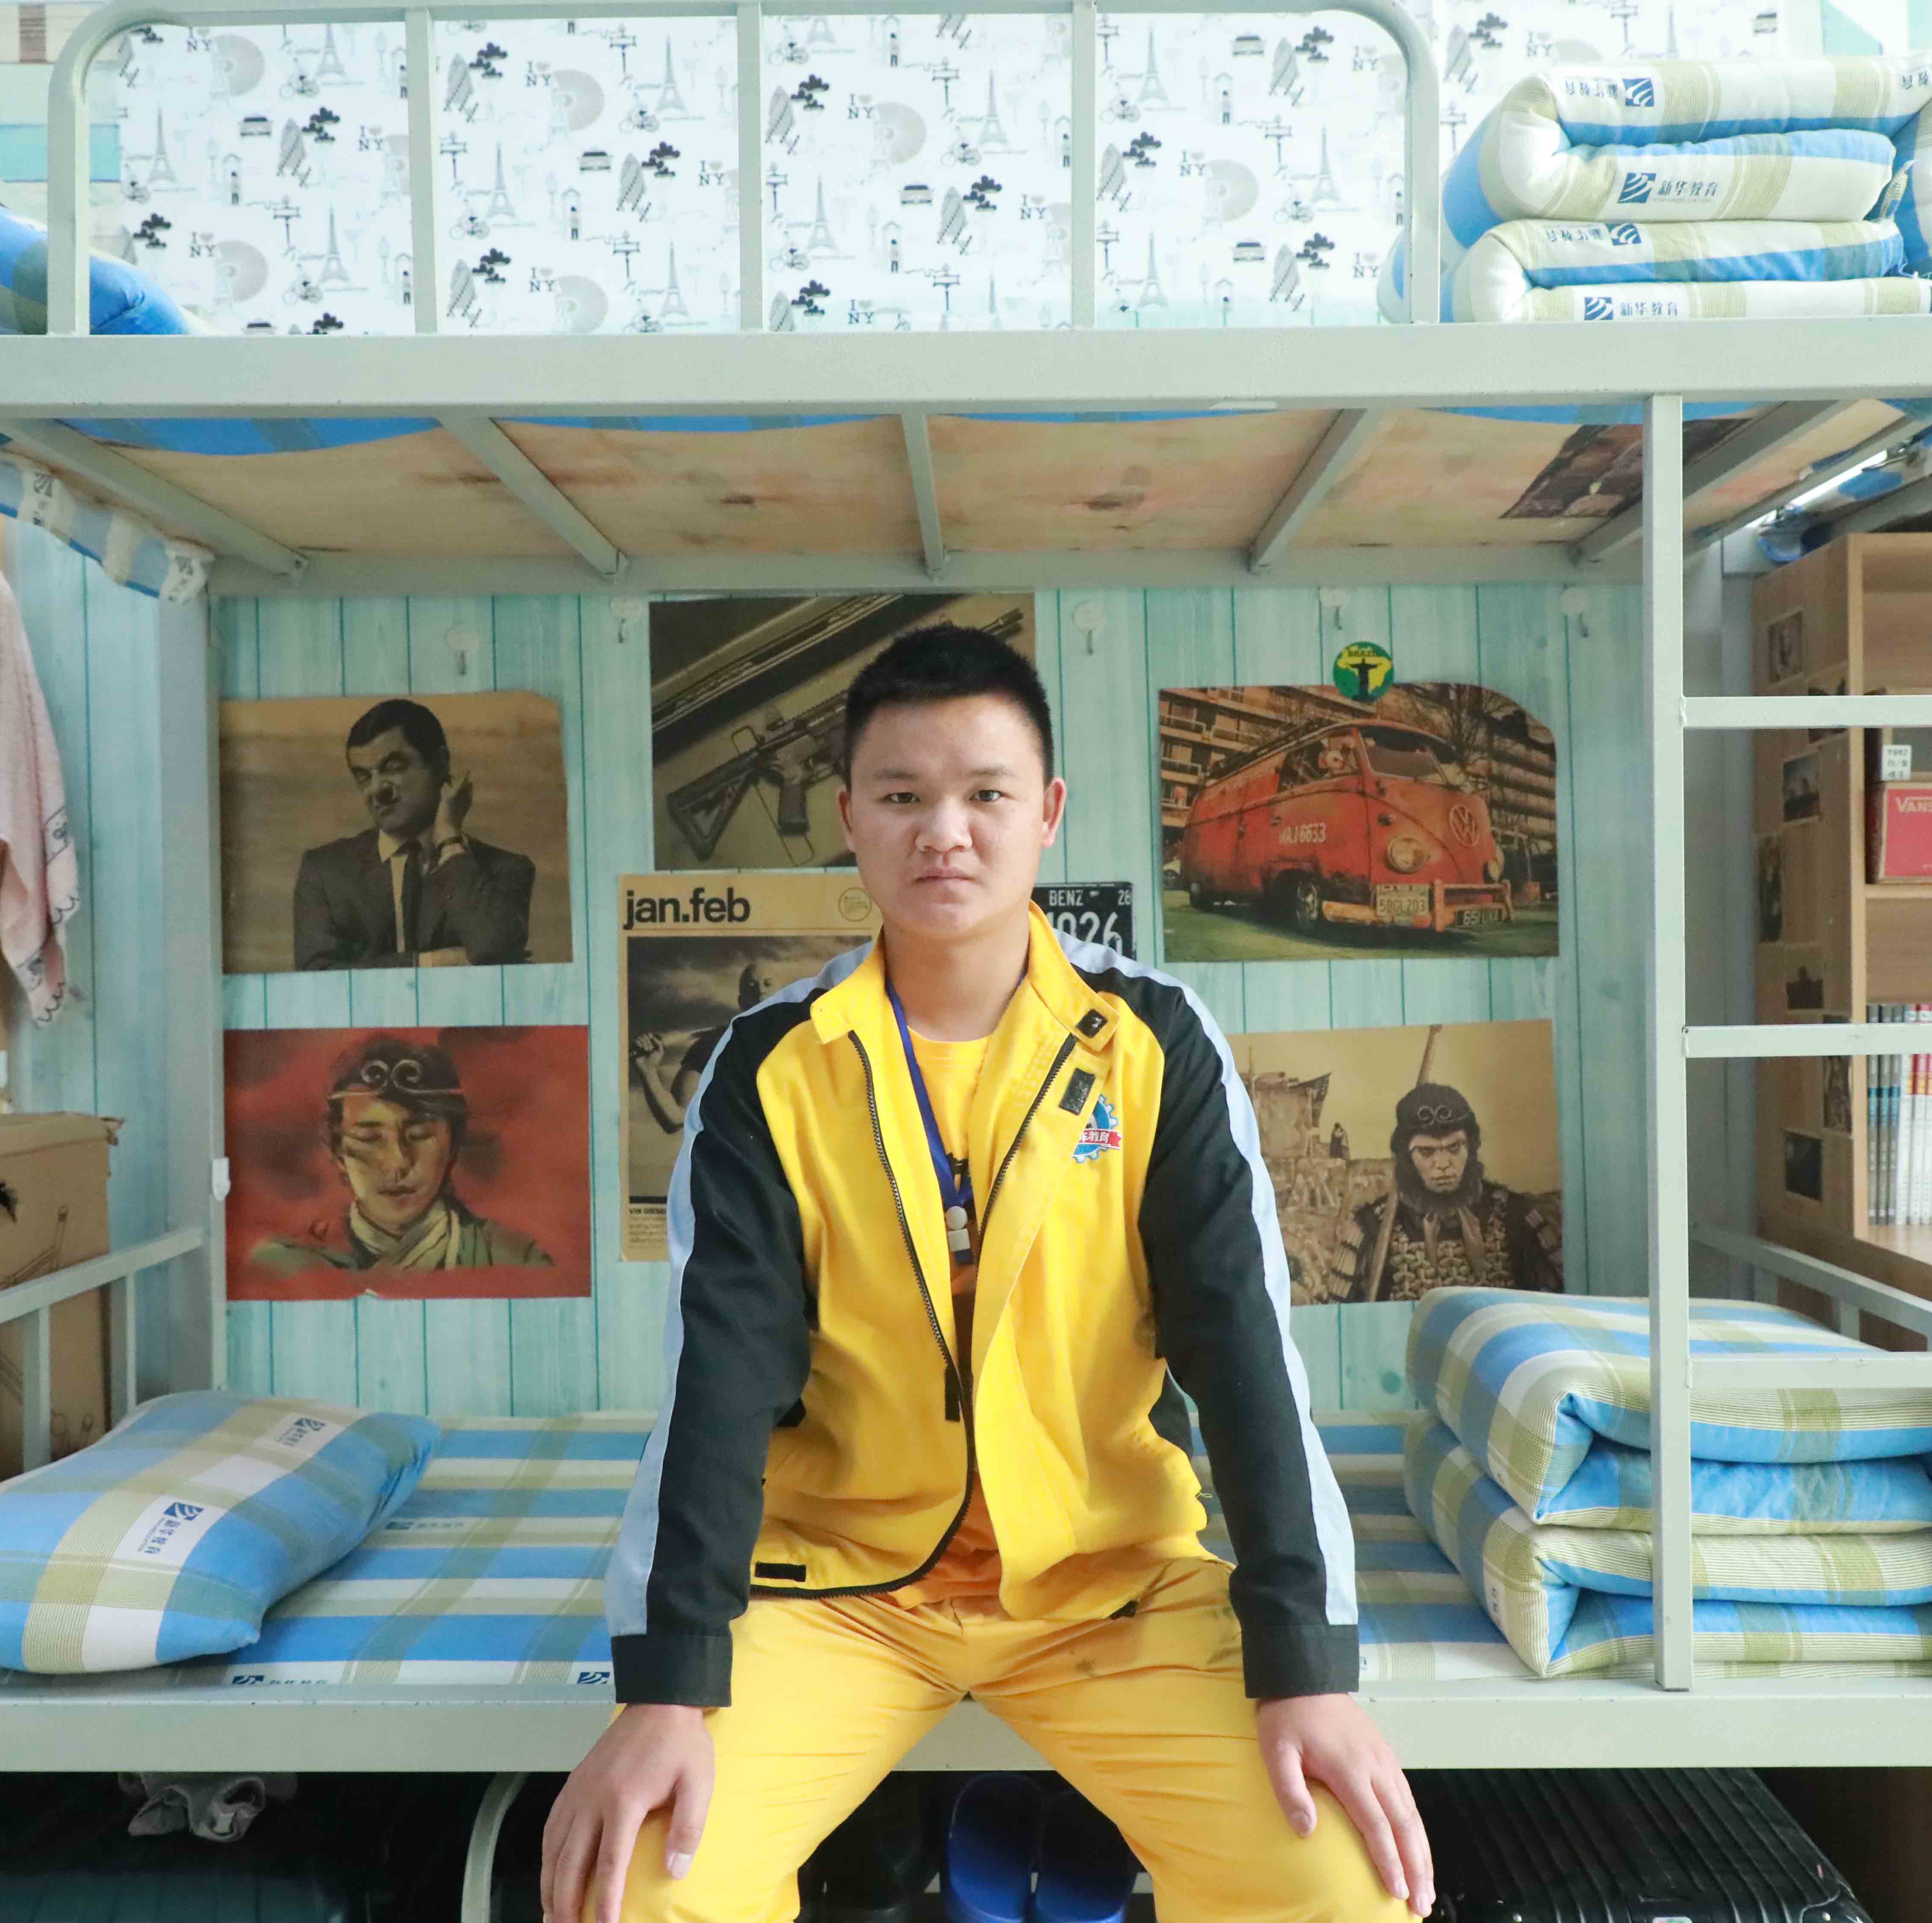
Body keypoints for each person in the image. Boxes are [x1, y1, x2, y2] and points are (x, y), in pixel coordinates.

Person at [546, 626, 1432, 1923]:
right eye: (902, 795)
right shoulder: (771, 1067)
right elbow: (718, 1381)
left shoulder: (1152, 1041)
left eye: (986, 794)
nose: (943, 833)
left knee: (1341, 1887)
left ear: (1047, 813)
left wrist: (1305, 1663)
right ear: (848, 818)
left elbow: (1243, 1352)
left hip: (1107, 1585)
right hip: (838, 1587)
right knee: (632, 1891)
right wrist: (668, 1686)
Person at [246, 1033, 552, 1276]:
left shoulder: (513, 1260)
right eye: (369, 1139)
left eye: (419, 1136)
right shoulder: (283, 1264)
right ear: (339, 1152)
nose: (397, 1163)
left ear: (452, 1145)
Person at [291, 697, 535, 969]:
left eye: (393, 768)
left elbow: (497, 951)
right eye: (363, 777)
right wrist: (433, 962)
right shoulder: (324, 872)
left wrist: (449, 838)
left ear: (440, 764)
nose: (376, 790)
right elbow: (317, 978)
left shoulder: (506, 869)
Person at [1337, 1083, 1564, 1302]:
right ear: (1406, 1158)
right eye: (1427, 1152)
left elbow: (1561, 1302)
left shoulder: (1517, 1216)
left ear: (1471, 1148)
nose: (1444, 1164)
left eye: (1455, 1148)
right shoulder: (1370, 1228)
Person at [628, 961, 769, 1138]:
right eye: (752, 986)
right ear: (742, 1002)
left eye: (768, 984)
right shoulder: (715, 1045)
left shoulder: (800, 1043)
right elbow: (675, 1118)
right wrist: (648, 1071)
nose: (761, 990)